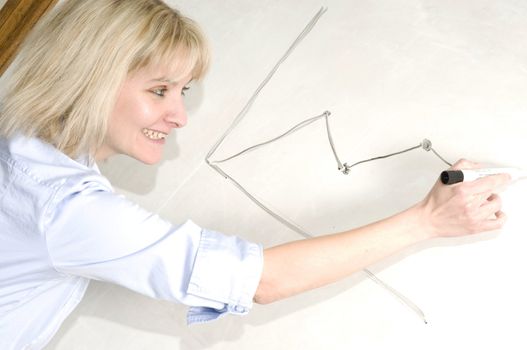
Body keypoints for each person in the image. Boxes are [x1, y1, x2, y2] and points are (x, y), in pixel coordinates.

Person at [0, 0, 510, 349]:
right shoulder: (64, 208)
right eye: (159, 90)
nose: (179, 116)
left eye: (184, 92)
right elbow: (260, 281)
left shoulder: (23, 156)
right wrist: (425, 221)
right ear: (89, 81)